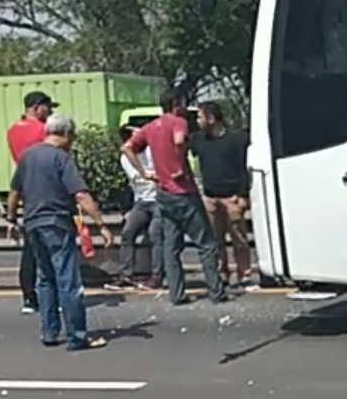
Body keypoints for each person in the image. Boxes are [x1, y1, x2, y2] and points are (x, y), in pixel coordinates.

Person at [5, 114, 114, 351]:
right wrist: (101, 224)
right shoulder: (61, 158)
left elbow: (14, 192)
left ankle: (50, 332)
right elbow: (80, 194)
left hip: (32, 223)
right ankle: (77, 336)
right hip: (55, 223)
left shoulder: (28, 156)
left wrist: (11, 219)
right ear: (65, 134)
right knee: (68, 280)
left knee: (45, 280)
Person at [120, 88, 228, 305]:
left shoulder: (150, 127)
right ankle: (216, 291)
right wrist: (180, 165)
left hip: (164, 192)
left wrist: (144, 173)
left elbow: (128, 147)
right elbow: (179, 141)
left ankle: (177, 293)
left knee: (171, 245)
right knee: (205, 243)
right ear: (177, 103)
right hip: (184, 190)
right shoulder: (178, 122)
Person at [190, 101, 254, 289]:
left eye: (200, 117)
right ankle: (221, 273)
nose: (198, 121)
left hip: (232, 197)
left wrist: (243, 195)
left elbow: (244, 168)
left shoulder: (235, 140)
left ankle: (245, 273)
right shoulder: (198, 140)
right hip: (210, 197)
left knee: (239, 239)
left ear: (211, 118)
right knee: (215, 239)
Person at [6, 91, 58, 315]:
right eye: (48, 107)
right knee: (54, 245)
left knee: (31, 246)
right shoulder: (42, 130)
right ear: (37, 107)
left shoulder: (12, 131)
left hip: (26, 189)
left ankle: (29, 297)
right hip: (46, 189)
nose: (51, 112)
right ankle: (55, 295)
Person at [106, 126, 163, 291]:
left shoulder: (152, 152)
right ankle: (126, 275)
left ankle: (157, 276)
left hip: (158, 199)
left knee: (155, 234)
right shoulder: (126, 159)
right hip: (141, 201)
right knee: (127, 232)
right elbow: (135, 180)